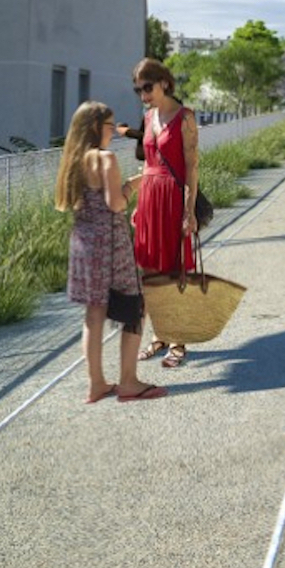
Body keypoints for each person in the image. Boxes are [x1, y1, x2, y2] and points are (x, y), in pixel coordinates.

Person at [59, 101, 164, 403]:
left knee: (94, 314)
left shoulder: (73, 161)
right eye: (109, 126)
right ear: (95, 127)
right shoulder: (106, 159)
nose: (113, 133)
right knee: (134, 307)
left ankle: (96, 384)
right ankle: (129, 382)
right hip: (110, 245)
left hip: (83, 245)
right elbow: (116, 203)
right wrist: (133, 184)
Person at [121, 57, 198, 370]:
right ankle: (160, 335)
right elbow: (149, 165)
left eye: (147, 87)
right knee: (150, 273)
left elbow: (191, 167)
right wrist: (138, 200)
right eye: (138, 89)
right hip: (151, 200)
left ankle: (179, 340)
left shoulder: (186, 117)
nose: (143, 95)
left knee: (174, 272)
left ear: (164, 83)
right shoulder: (148, 116)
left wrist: (189, 212)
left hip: (174, 201)